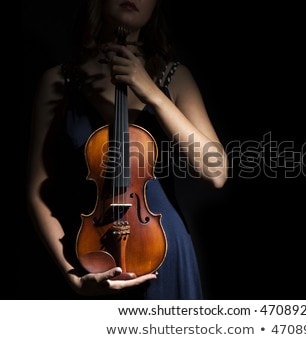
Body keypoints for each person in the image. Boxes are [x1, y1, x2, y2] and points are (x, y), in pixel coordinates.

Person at [26, 0, 227, 299]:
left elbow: (216, 173)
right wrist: (74, 277)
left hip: (163, 249)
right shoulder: (58, 82)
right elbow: (36, 191)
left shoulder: (175, 78)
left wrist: (152, 93)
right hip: (94, 256)